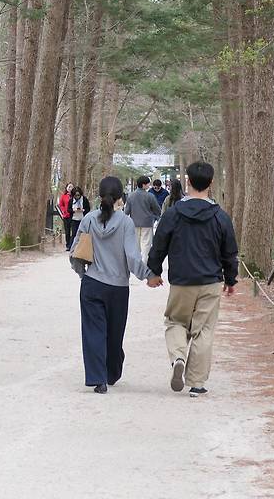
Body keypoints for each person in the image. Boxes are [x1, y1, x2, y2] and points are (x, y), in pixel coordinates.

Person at [147, 160, 238, 398]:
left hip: (181, 281)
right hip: (210, 282)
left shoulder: (174, 213)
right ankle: (196, 383)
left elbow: (159, 245)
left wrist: (154, 272)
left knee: (176, 322)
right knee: (203, 330)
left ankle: (178, 356)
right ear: (211, 183)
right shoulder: (220, 216)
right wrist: (231, 279)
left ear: (188, 181)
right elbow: (229, 251)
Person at [71, 175, 162, 392]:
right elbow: (132, 257)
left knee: (93, 331)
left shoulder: (88, 220)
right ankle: (111, 372)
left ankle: (98, 378)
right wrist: (147, 275)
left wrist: (83, 274)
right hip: (118, 288)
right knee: (114, 332)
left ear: (100, 195)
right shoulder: (125, 223)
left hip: (92, 284)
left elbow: (76, 252)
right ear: (120, 197)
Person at [124, 175, 162, 260]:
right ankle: (144, 265)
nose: (149, 185)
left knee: (136, 245)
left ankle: (136, 263)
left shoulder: (131, 196)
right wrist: (156, 216)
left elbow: (126, 211)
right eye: (148, 184)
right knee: (146, 245)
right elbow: (157, 210)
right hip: (147, 223)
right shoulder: (150, 196)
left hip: (134, 223)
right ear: (144, 185)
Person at [58, 182, 74, 250]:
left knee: (73, 231)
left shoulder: (75, 196)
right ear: (66, 188)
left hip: (74, 215)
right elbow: (61, 204)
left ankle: (73, 244)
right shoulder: (63, 196)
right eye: (69, 187)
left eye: (71, 187)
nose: (70, 188)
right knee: (67, 231)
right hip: (66, 216)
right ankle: (68, 245)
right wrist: (64, 210)